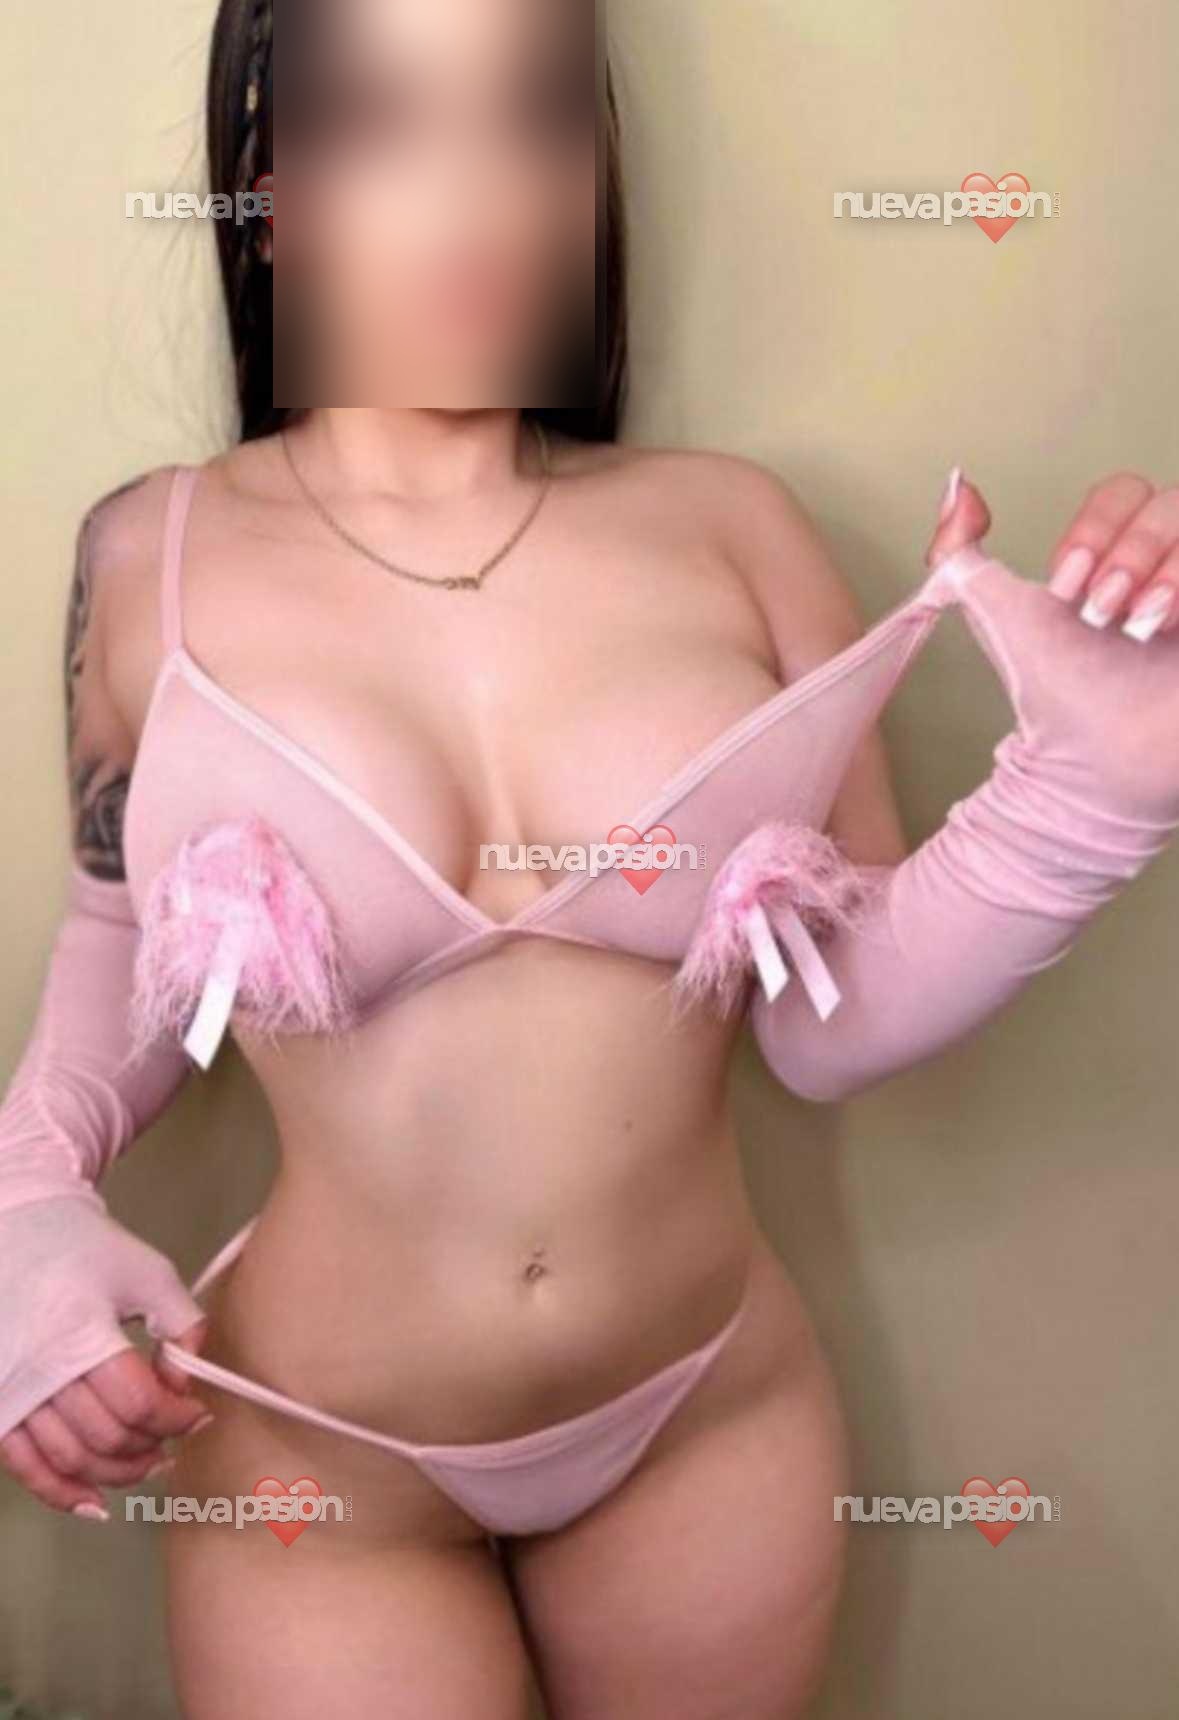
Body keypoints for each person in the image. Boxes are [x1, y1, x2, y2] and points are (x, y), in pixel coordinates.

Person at [3, 4, 1179, 1718]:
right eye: (388, 122)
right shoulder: (148, 556)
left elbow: (827, 1018)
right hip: (318, 1463)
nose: (479, 192)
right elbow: (124, 956)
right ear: (273, 190)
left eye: (535, 114)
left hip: (709, 1413)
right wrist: (23, 1206)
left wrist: (1094, 795)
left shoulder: (737, 524)